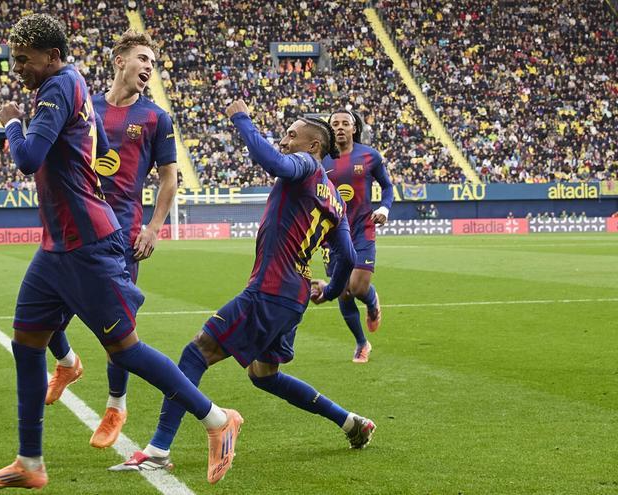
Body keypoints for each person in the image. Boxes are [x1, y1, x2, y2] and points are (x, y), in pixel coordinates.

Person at [0, 14, 242, 490]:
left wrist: (12, 122)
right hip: (59, 245)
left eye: (23, 59)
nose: (17, 67)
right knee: (27, 342)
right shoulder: (70, 88)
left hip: (88, 245)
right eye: (14, 58)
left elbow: (28, 158)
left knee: (126, 350)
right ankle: (29, 462)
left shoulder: (60, 87)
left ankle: (217, 419)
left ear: (51, 56)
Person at [110, 100, 375, 473]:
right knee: (264, 375)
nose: (284, 140)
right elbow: (347, 255)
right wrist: (330, 290)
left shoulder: (305, 166)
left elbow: (275, 163)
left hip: (270, 289)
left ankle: (157, 451)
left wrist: (240, 117)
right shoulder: (334, 198)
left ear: (314, 145)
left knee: (196, 351)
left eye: (292, 135)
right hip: (294, 296)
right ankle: (351, 423)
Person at [42, 29, 179, 450]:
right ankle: (67, 363)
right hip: (74, 226)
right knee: (41, 314)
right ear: (119, 61)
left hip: (121, 236)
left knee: (117, 333)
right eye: (142, 58)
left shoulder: (156, 118)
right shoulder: (86, 106)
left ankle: (116, 405)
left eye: (153, 63)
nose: (149, 67)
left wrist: (154, 227)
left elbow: (169, 177)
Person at [324, 109, 394, 363]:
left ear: (354, 128)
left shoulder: (369, 156)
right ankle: (362, 343)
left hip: (362, 228)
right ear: (329, 130)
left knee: (358, 287)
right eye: (335, 124)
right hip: (331, 234)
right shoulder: (320, 159)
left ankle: (372, 300)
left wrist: (384, 208)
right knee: (343, 291)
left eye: (346, 123)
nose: (340, 127)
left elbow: (387, 186)